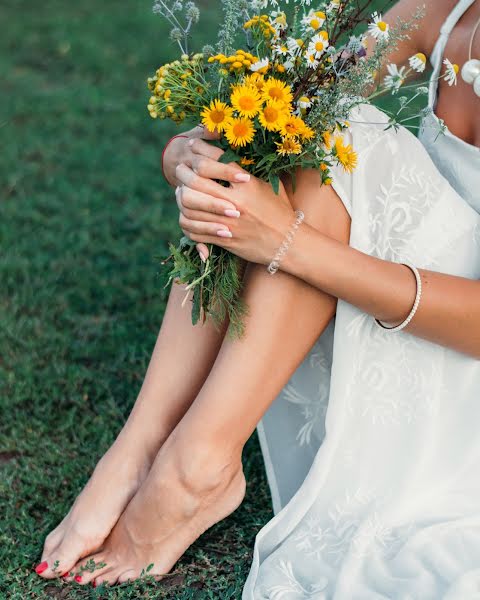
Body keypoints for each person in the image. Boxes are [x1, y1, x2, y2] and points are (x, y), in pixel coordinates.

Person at [35, 0, 480, 596]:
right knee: (302, 123)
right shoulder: (446, 9)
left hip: (459, 364)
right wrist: (189, 157)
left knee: (334, 141)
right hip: (394, 296)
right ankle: (139, 449)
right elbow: (300, 104)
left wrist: (286, 243)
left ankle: (196, 466)